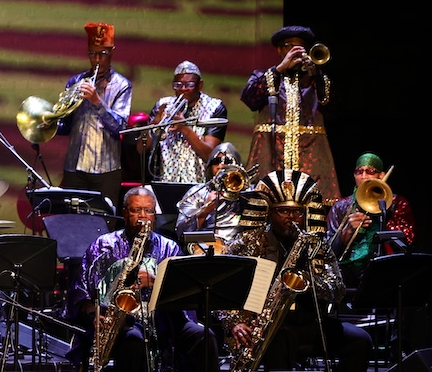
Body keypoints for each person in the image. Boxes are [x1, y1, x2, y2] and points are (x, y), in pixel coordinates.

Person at [221, 169, 371, 372]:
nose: (293, 218)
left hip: (309, 321)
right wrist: (233, 324)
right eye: (284, 211)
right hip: (267, 326)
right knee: (283, 341)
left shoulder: (314, 243)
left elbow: (337, 289)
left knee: (360, 341)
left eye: (297, 212)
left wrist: (312, 279)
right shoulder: (249, 242)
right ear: (269, 212)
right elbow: (226, 290)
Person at [67, 186, 181, 372]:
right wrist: (92, 312)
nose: (143, 217)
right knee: (131, 339)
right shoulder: (103, 245)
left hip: (160, 321)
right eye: (136, 210)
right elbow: (81, 289)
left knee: (202, 336)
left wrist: (155, 281)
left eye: (148, 211)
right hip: (116, 323)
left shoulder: (169, 248)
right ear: (124, 213)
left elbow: (181, 292)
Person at [240, 25, 340, 203]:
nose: (295, 51)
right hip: (271, 153)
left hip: (310, 155)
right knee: (266, 202)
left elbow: (331, 109)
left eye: (300, 47)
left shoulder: (316, 80)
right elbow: (249, 99)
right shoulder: (264, 76)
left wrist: (316, 73)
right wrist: (280, 69)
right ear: (279, 50)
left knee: (313, 206)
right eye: (289, 46)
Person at [57, 21, 133, 210]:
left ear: (112, 52)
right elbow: (67, 124)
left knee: (104, 223)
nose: (97, 59)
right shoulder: (76, 81)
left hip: (105, 170)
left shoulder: (122, 85)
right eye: (93, 53)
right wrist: (49, 126)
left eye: (103, 53)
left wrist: (97, 101)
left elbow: (120, 128)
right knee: (74, 223)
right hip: (75, 167)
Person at [326, 152, 416, 290]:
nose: (363, 176)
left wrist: (384, 217)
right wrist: (347, 231)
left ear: (381, 175)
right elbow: (328, 252)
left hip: (387, 272)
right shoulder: (340, 206)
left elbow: (407, 243)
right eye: (359, 172)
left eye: (370, 172)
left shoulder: (398, 204)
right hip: (347, 273)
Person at [137, 61, 227, 184]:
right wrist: (154, 124)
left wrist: (184, 129)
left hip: (199, 186)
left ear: (200, 85)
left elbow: (209, 154)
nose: (183, 89)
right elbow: (141, 149)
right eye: (178, 85)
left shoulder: (215, 107)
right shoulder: (163, 105)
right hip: (165, 183)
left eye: (189, 84)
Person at [175, 142, 250, 253]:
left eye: (227, 162)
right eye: (216, 161)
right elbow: (181, 232)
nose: (221, 166)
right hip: (201, 248)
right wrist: (204, 211)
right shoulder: (197, 192)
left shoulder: (247, 193)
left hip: (237, 249)